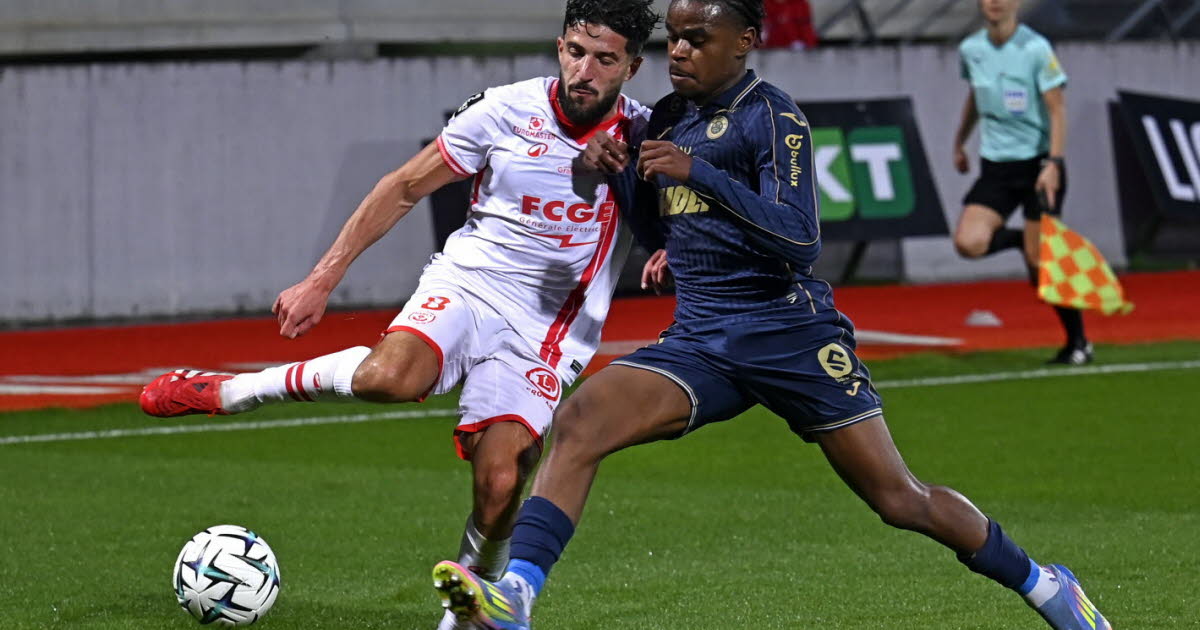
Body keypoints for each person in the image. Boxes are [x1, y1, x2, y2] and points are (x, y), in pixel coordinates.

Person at [429, 1, 1111, 629]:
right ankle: (517, 594)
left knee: (900, 500)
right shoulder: (666, 118)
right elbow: (662, 230)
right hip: (701, 338)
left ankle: (1047, 586)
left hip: (790, 333)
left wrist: (702, 174)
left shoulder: (772, 116)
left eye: (700, 39)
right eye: (676, 38)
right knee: (579, 422)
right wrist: (620, 176)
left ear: (744, 43)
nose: (682, 52)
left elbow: (800, 237)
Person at [138, 2, 658, 628]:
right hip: (470, 283)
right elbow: (404, 186)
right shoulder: (503, 111)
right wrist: (319, 279)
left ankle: (466, 614)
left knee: (501, 481)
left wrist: (668, 246)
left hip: (548, 328)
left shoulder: (647, 138)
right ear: (559, 47)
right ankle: (234, 391)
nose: (585, 70)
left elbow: (681, 213)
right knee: (390, 376)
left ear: (631, 66)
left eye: (605, 59)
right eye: (576, 51)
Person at [952, 0, 1089, 364]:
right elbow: (976, 98)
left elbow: (1057, 108)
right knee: (968, 243)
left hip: (1037, 166)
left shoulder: (1035, 48)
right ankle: (1022, 243)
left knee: (1041, 267)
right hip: (996, 166)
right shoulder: (972, 49)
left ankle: (1079, 342)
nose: (995, 3)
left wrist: (1054, 162)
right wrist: (960, 140)